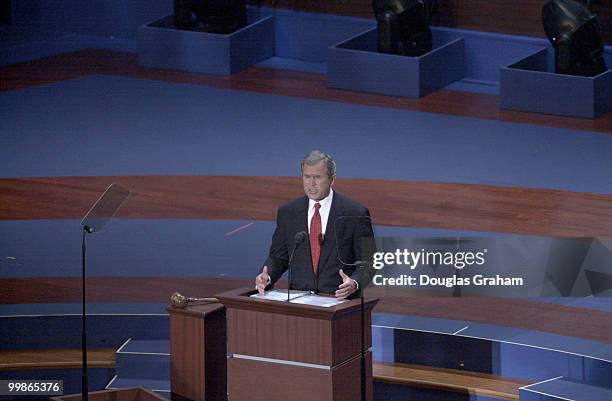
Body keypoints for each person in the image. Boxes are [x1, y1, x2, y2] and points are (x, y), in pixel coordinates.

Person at [255, 150, 374, 299]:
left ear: (332, 179)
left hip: (339, 300)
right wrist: (267, 275)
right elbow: (278, 257)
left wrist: (354, 283)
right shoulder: (288, 212)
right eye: (307, 177)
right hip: (299, 300)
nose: (311, 183)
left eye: (317, 177)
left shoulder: (355, 213)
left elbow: (370, 262)